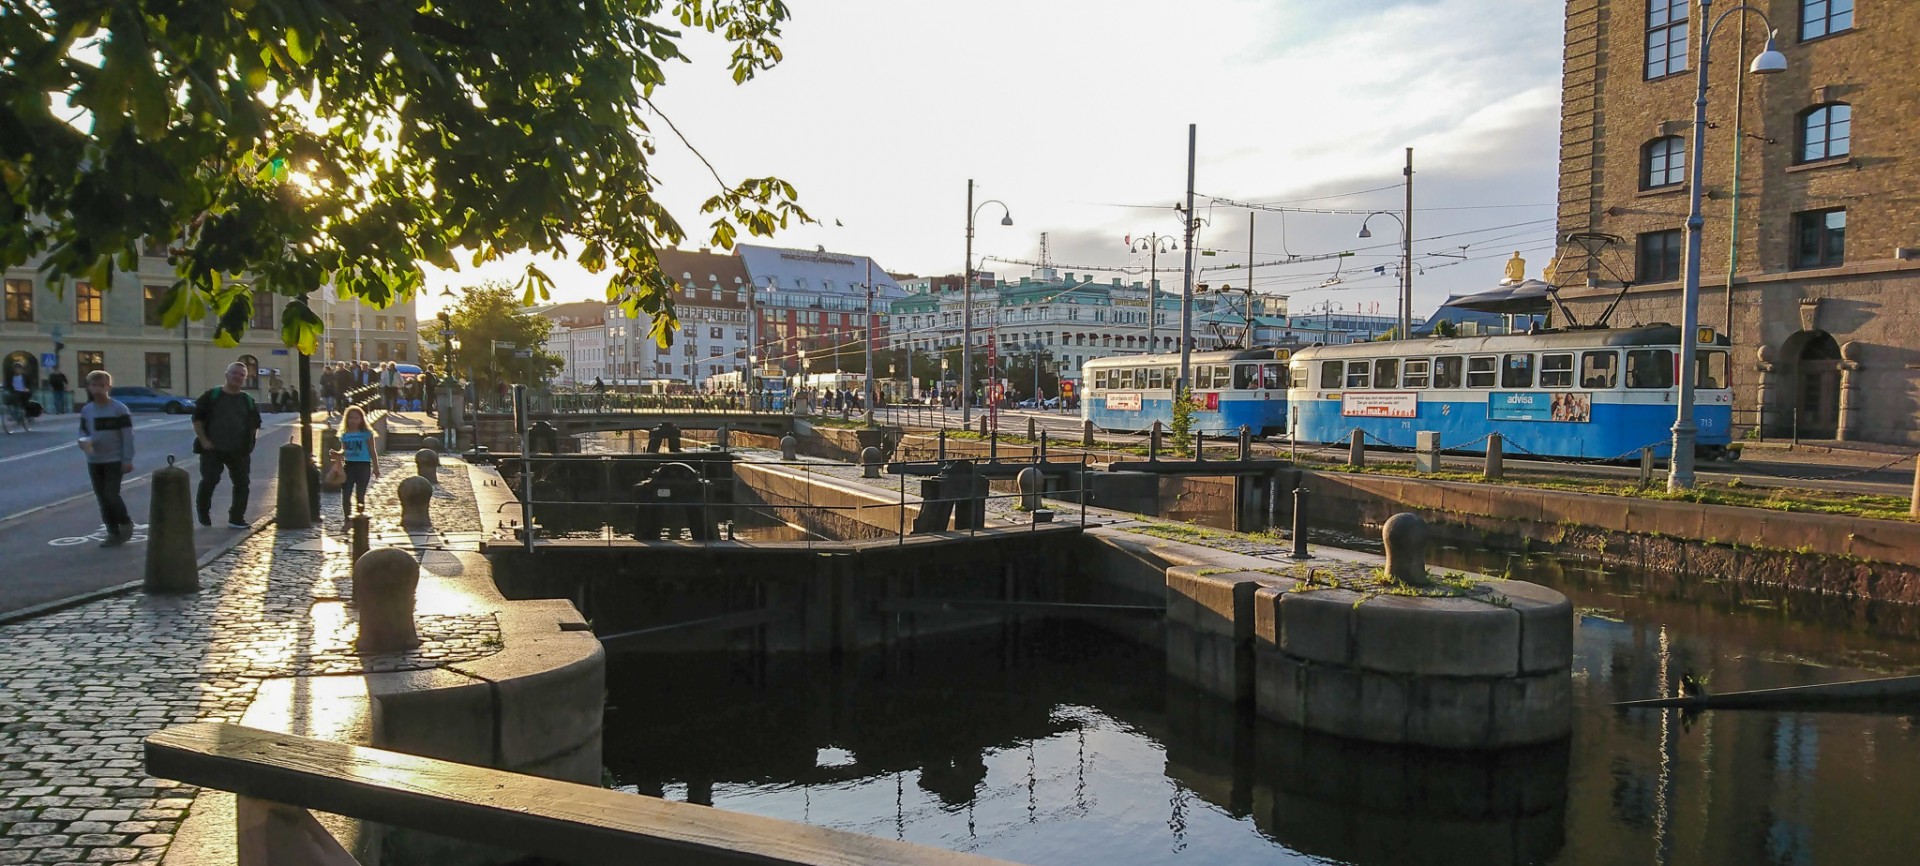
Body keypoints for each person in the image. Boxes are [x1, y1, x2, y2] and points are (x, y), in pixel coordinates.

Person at [193, 361, 263, 529]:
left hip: (239, 450)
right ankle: (203, 510)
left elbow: (255, 424)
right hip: (213, 448)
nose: (238, 377)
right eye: (235, 373)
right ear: (227, 375)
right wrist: (204, 441)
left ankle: (236, 517)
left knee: (242, 483)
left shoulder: (248, 400)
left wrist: (250, 443)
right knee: (210, 479)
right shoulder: (212, 396)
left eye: (242, 375)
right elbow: (197, 419)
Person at [78, 370, 136, 547]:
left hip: (114, 459)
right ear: (89, 387)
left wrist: (127, 459)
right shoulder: (87, 410)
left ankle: (125, 522)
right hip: (95, 460)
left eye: (101, 385)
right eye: (94, 385)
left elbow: (127, 435)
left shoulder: (119, 409)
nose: (97, 389)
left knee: (111, 494)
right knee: (102, 497)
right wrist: (82, 441)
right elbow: (83, 431)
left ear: (108, 387)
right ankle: (112, 532)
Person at [338, 404, 380, 519]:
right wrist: (338, 454)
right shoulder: (344, 435)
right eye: (350, 418)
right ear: (346, 419)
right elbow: (344, 450)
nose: (353, 420)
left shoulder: (366, 434)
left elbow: (372, 450)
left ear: (361, 419)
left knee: (360, 495)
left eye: (356, 418)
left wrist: (376, 467)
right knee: (346, 494)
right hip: (349, 466)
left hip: (363, 466)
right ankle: (347, 519)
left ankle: (360, 519)